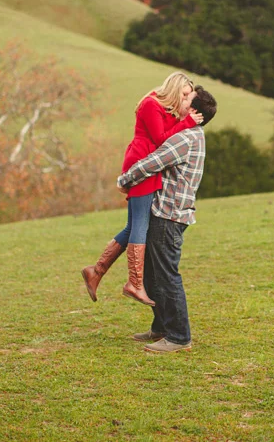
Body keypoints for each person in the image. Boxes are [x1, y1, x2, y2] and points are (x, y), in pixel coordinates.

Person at [81, 72, 204, 306]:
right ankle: (134, 284)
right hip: (141, 162)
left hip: (150, 166)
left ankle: (96, 272)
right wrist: (186, 122)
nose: (187, 99)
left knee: (133, 225)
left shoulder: (165, 109)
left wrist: (183, 119)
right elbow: (160, 139)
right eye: (185, 94)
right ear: (174, 88)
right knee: (140, 225)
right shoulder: (151, 103)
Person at [117, 86, 217, 353]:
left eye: (186, 99)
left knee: (167, 275)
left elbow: (152, 162)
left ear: (194, 112)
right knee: (153, 273)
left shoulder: (185, 138)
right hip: (169, 212)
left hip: (169, 215)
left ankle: (179, 337)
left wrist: (124, 180)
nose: (181, 101)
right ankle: (161, 326)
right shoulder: (192, 134)